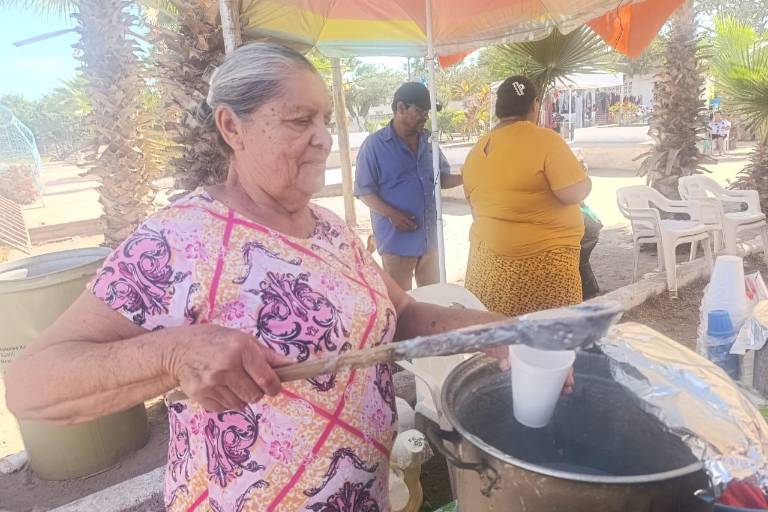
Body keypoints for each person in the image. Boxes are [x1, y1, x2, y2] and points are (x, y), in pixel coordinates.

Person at [5, 44, 509, 512]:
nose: (324, 138)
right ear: (232, 126)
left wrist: (486, 330)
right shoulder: (179, 237)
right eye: (300, 120)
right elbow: (30, 386)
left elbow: (400, 312)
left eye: (324, 120)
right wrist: (172, 355)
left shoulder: (331, 229)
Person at [461, 75, 591, 316]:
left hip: (485, 267)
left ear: (500, 108)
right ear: (534, 105)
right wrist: (583, 174)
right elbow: (574, 193)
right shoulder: (545, 140)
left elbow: (475, 209)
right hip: (540, 269)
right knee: (549, 336)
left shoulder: (476, 149)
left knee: (502, 336)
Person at [355, 82, 462, 291]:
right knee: (401, 303)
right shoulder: (374, 146)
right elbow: (364, 191)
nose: (425, 116)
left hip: (430, 241)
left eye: (427, 112)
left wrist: (469, 177)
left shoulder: (429, 142)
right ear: (401, 108)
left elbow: (441, 179)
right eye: (420, 110)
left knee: (433, 298)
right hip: (397, 244)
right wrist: (392, 214)